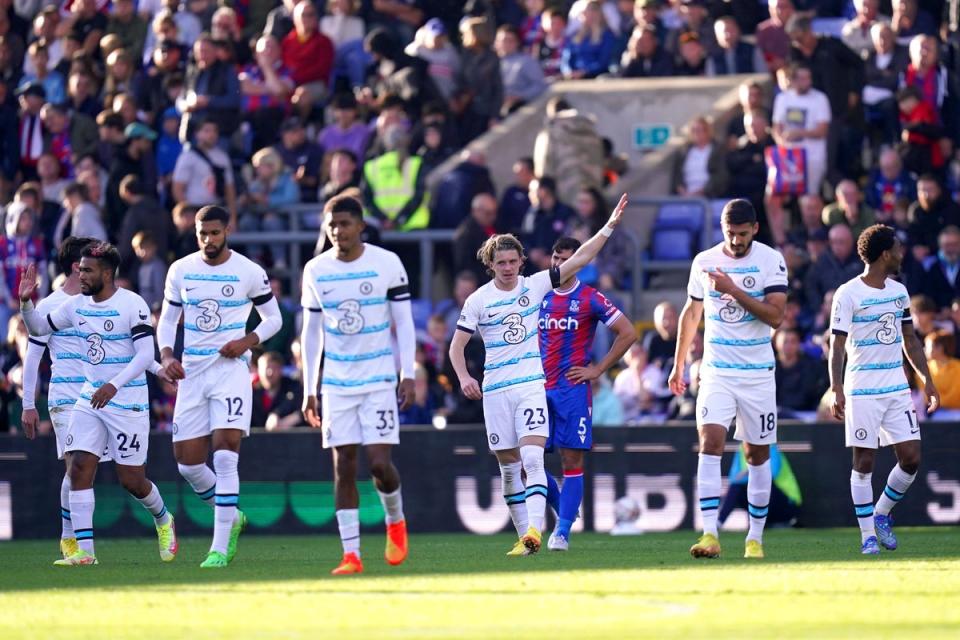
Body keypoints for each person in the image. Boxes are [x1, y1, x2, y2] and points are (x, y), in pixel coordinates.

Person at [449, 193, 628, 556]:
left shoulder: (535, 285)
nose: (509, 267)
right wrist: (465, 377)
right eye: (502, 262)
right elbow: (456, 346)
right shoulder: (478, 300)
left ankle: (536, 530)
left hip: (531, 385)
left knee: (533, 459)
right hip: (495, 389)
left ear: (522, 261)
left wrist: (608, 226)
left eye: (514, 261)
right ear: (491, 264)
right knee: (509, 467)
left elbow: (581, 258)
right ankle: (525, 538)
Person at [19, 242, 178, 566]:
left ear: (106, 273)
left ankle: (163, 519)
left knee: (131, 480)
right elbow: (37, 328)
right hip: (90, 399)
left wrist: (114, 384)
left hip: (128, 401)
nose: (81, 274)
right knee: (78, 467)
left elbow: (145, 354)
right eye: (80, 268)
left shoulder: (132, 304)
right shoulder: (74, 306)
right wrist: (26, 303)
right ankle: (85, 553)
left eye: (88, 270)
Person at [155, 205, 281, 568]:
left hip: (231, 372)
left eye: (215, 232)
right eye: (202, 233)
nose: (208, 240)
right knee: (188, 465)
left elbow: (274, 318)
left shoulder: (248, 271)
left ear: (228, 230)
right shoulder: (181, 270)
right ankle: (233, 516)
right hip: (192, 374)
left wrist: (247, 341)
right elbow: (168, 321)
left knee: (225, 454)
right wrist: (166, 356)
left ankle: (219, 548)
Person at [300, 194, 416, 575]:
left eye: (345, 224)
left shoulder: (386, 264)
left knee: (380, 465)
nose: (337, 231)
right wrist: (309, 388)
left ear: (360, 226)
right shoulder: (316, 269)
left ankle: (395, 519)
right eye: (331, 225)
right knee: (344, 466)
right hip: (336, 383)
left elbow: (406, 323)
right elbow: (312, 332)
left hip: (379, 379)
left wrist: (408, 373)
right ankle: (351, 555)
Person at [668, 198, 788, 560]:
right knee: (710, 442)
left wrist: (733, 289)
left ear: (755, 228)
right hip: (717, 370)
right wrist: (677, 366)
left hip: (757, 375)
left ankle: (754, 538)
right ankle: (709, 534)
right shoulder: (704, 261)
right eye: (729, 233)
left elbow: (776, 317)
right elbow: (692, 314)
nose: (735, 241)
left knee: (756, 453)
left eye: (742, 233)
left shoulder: (771, 260)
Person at [829, 224, 939, 554]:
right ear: (884, 255)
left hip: (895, 387)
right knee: (863, 461)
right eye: (897, 248)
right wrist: (836, 387)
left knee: (911, 457)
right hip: (861, 388)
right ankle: (867, 537)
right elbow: (836, 345)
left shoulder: (899, 292)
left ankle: (880, 514)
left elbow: (910, 339)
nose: (902, 253)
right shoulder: (847, 294)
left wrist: (927, 380)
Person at [538, 236, 637, 551]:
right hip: (536, 389)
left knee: (571, 459)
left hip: (571, 390)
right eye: (556, 257)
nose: (560, 264)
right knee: (528, 460)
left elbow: (628, 332)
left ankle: (562, 532)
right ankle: (563, 505)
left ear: (580, 262)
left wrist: (599, 369)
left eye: (567, 258)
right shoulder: (536, 294)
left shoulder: (590, 298)